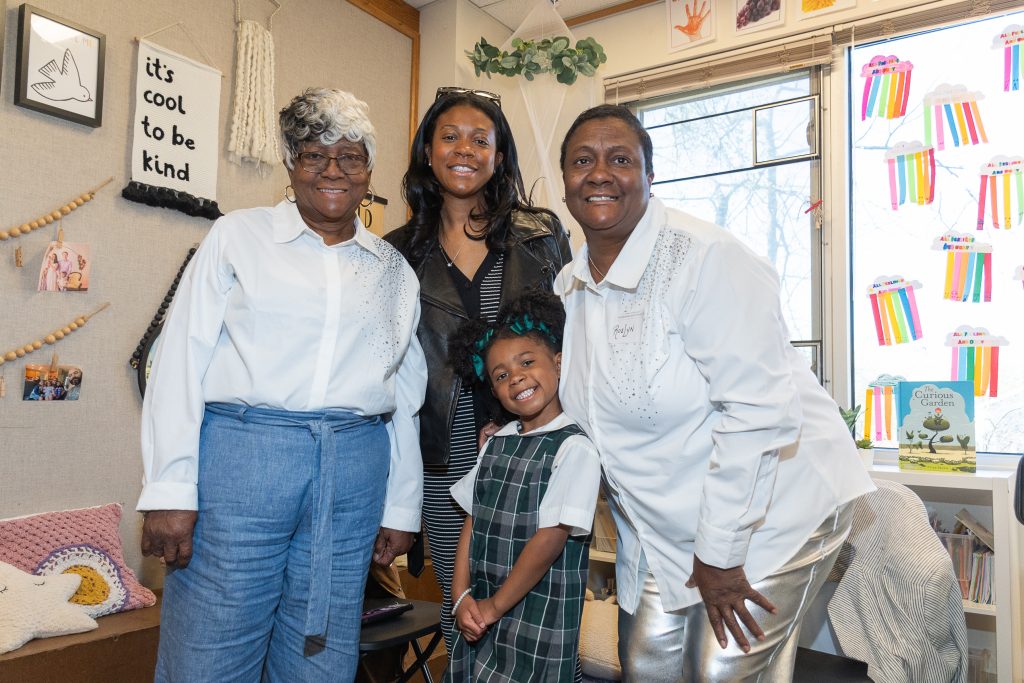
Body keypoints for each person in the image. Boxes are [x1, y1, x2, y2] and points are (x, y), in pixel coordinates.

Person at [555, 104, 875, 682]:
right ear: (565, 182)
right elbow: (598, 414)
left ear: (650, 177)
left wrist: (722, 557)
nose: (600, 173)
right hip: (664, 528)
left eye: (620, 159)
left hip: (773, 508)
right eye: (583, 161)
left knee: (719, 670)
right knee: (646, 666)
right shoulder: (574, 287)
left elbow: (758, 412)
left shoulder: (704, 258)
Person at [137, 88, 427, 683]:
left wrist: (401, 504)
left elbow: (404, 394)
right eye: (314, 154)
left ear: (369, 171)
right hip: (243, 463)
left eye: (350, 156)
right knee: (210, 645)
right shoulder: (237, 237)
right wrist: (169, 489)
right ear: (291, 164)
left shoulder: (393, 270)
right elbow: (179, 360)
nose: (333, 170)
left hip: (353, 472)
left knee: (321, 650)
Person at [385, 87, 572, 650]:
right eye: (449, 137)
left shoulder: (540, 236)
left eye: (479, 139)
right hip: (443, 460)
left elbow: (571, 339)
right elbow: (390, 368)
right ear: (428, 152)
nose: (464, 149)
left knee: (540, 607)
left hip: (532, 446)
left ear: (499, 155)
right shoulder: (398, 253)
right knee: (461, 603)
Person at [443, 290, 600, 682]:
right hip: (480, 614)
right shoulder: (496, 441)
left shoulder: (574, 448)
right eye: (501, 375)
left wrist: (495, 606)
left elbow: (550, 540)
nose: (516, 377)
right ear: (493, 390)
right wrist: (461, 597)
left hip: (536, 615)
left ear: (559, 363)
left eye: (527, 362)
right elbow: (472, 520)